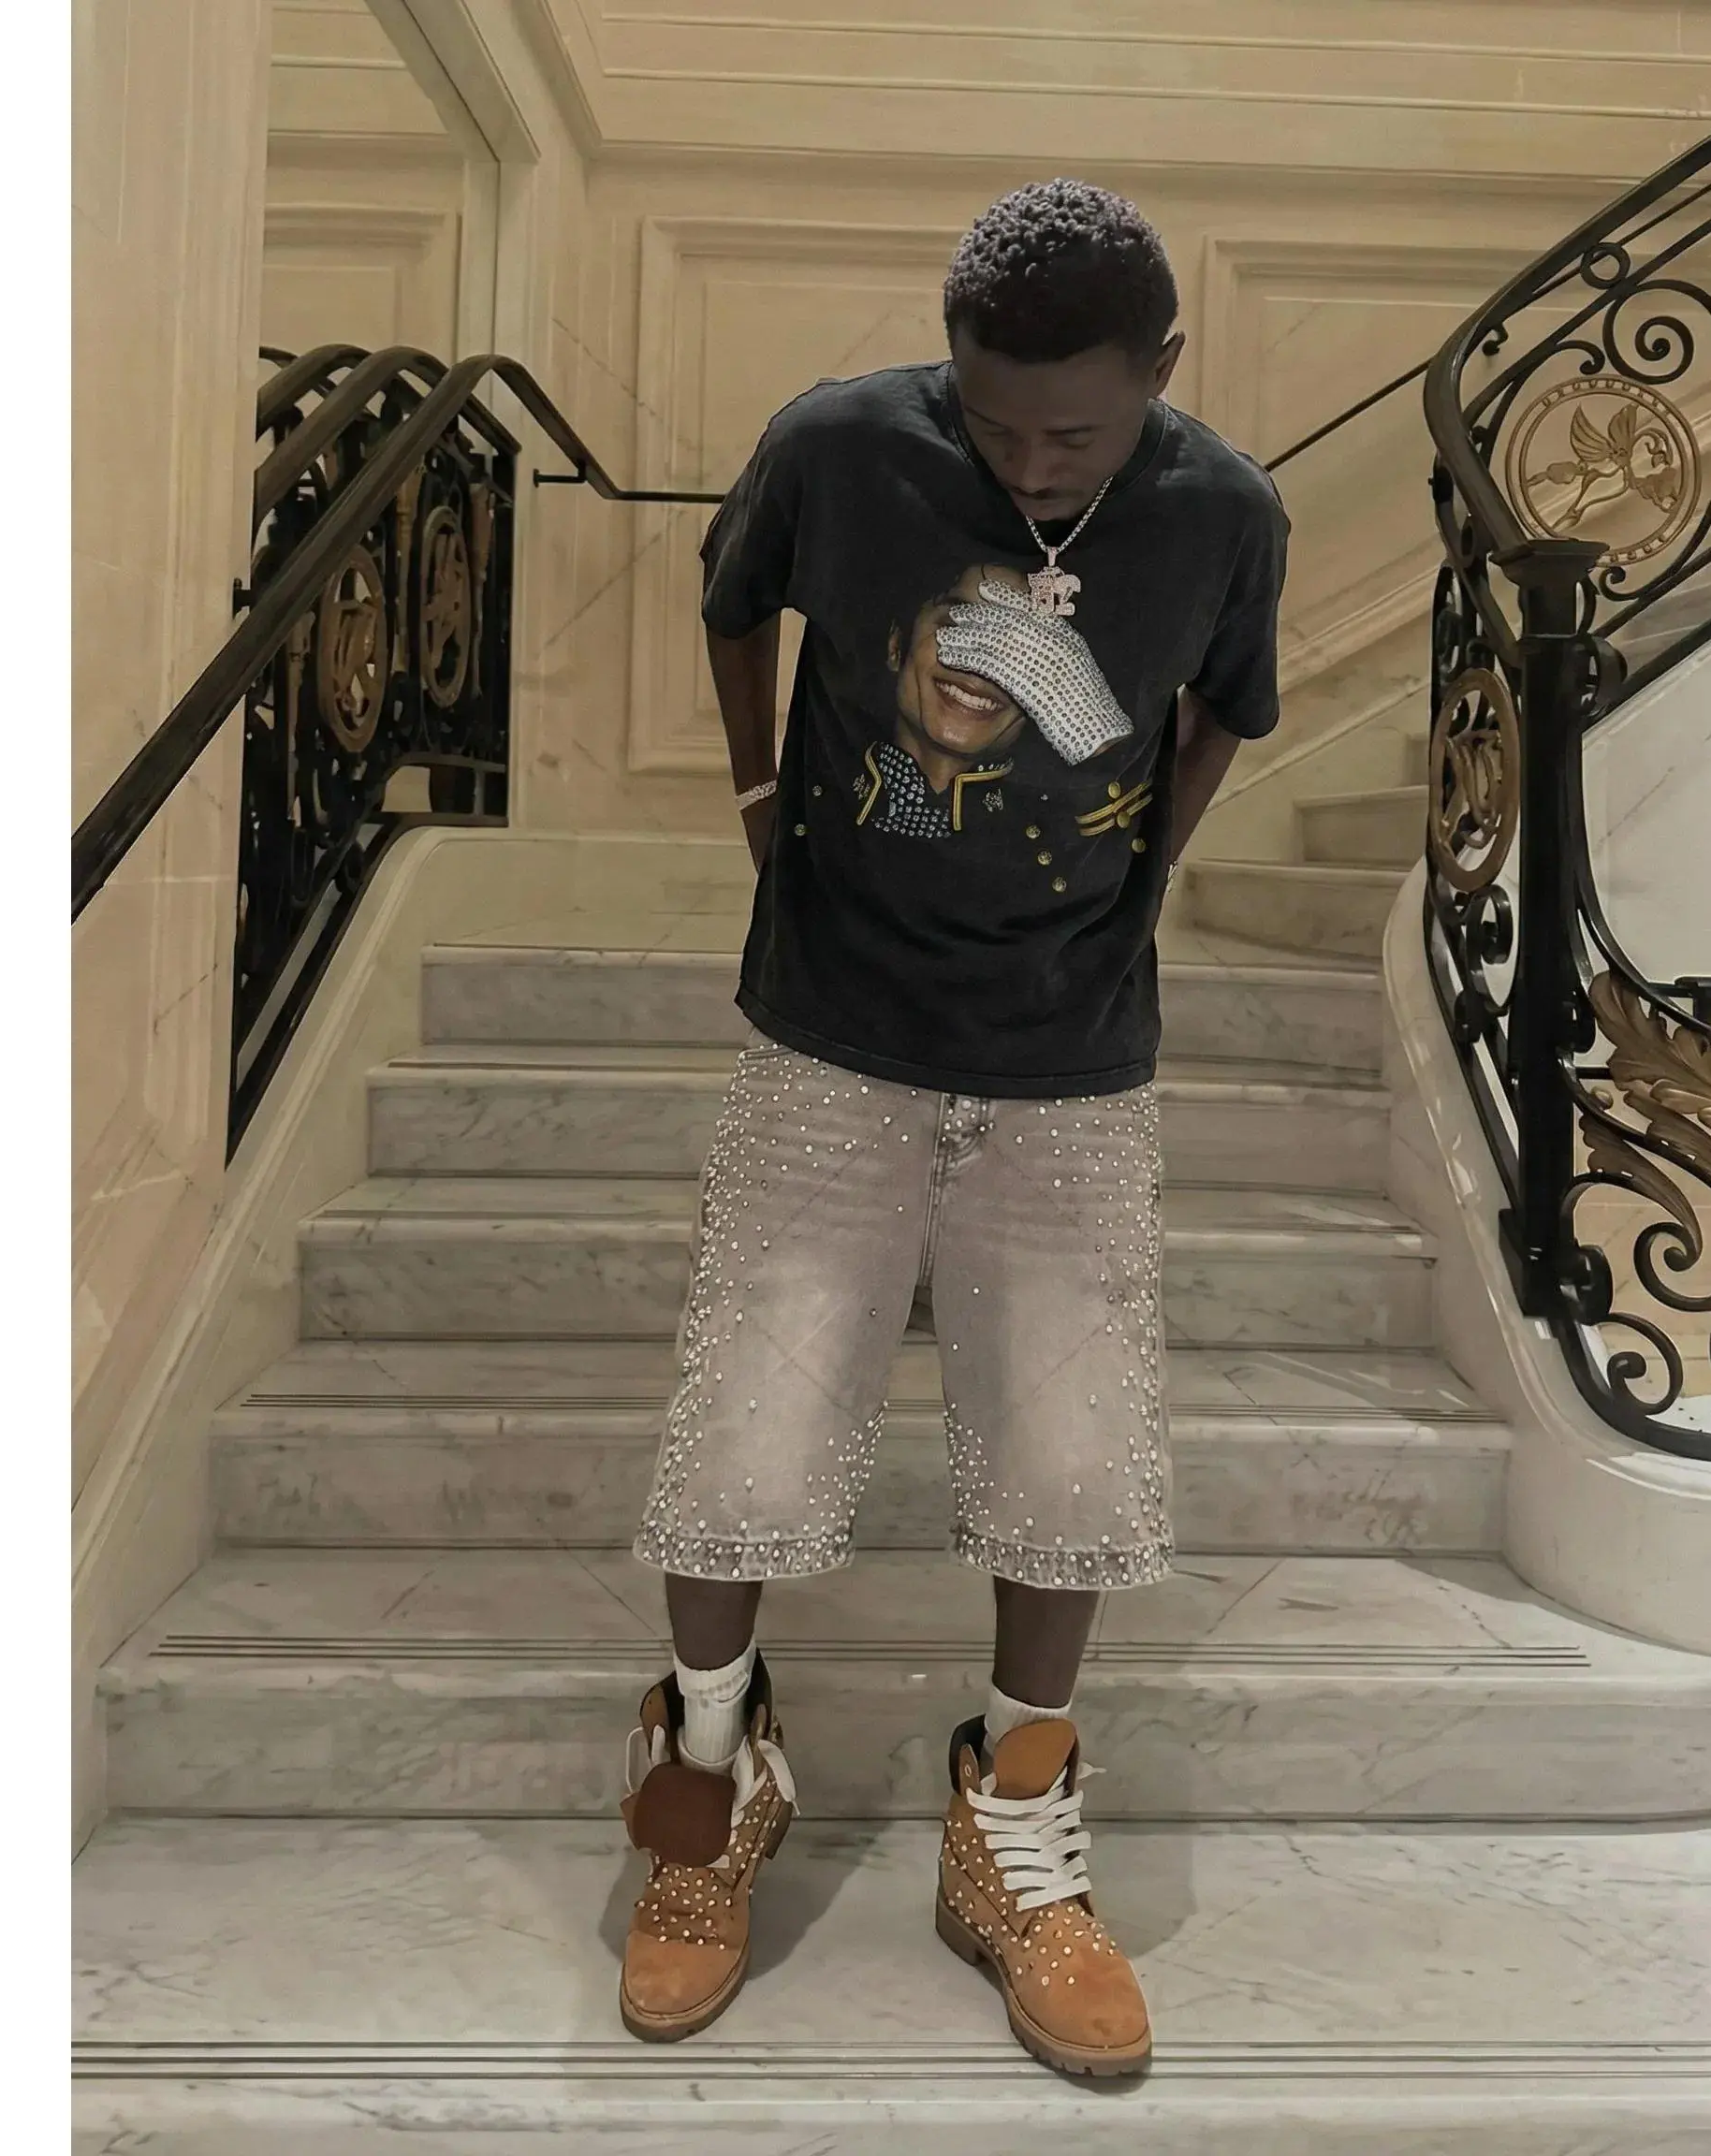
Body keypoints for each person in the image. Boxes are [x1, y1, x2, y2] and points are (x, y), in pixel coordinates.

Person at [618, 176, 1289, 2076]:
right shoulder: (841, 447)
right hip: (836, 1019)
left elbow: (1223, 711)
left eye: (1075, 434)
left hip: (1070, 1045)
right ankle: (704, 1787)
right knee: (744, 1435)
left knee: (1073, 1461)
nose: (1033, 465)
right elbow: (734, 599)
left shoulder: (1224, 512)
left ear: (1162, 370)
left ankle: (1013, 1825)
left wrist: (1147, 883)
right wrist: (761, 801)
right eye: (997, 427)